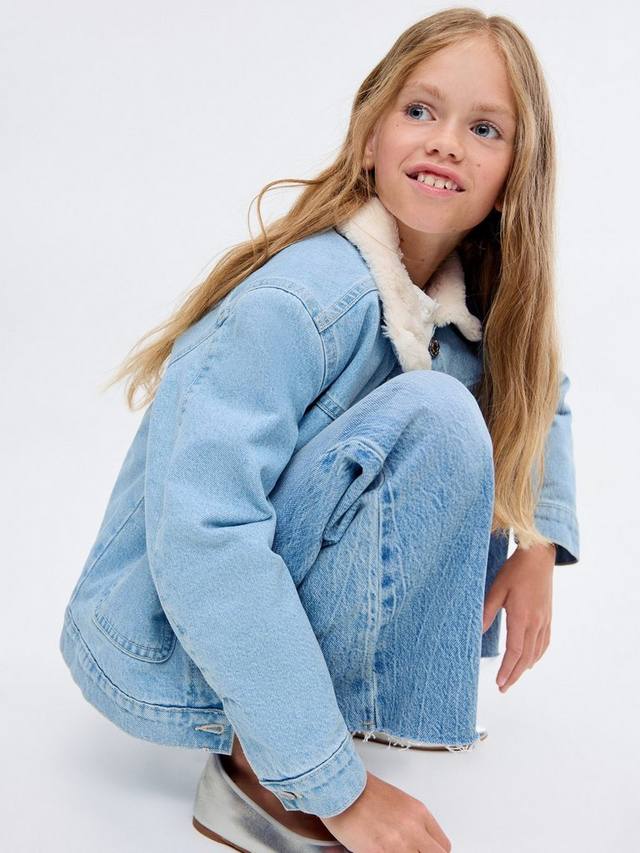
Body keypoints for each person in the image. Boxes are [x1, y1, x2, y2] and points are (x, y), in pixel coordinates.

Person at [58, 7, 580, 852]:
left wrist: (540, 542)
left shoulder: (465, 295)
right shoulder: (297, 303)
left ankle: (319, 711)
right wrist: (335, 783)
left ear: (515, 176)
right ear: (369, 136)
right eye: (420, 110)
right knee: (440, 415)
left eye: (484, 128)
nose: (446, 142)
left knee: (467, 398)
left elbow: (540, 382)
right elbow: (204, 536)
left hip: (243, 595)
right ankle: (265, 769)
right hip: (172, 629)